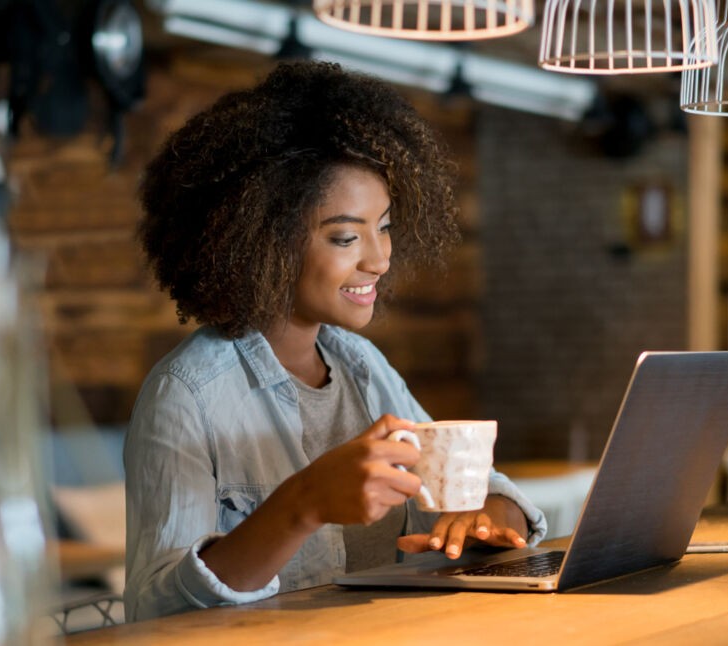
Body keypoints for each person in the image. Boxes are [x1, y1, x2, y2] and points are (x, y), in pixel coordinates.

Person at [124, 60, 546, 621]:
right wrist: (303, 504)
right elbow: (157, 605)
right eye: (346, 236)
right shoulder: (186, 395)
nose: (380, 258)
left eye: (385, 226)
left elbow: (479, 492)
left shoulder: (361, 366)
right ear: (261, 242)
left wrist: (488, 522)